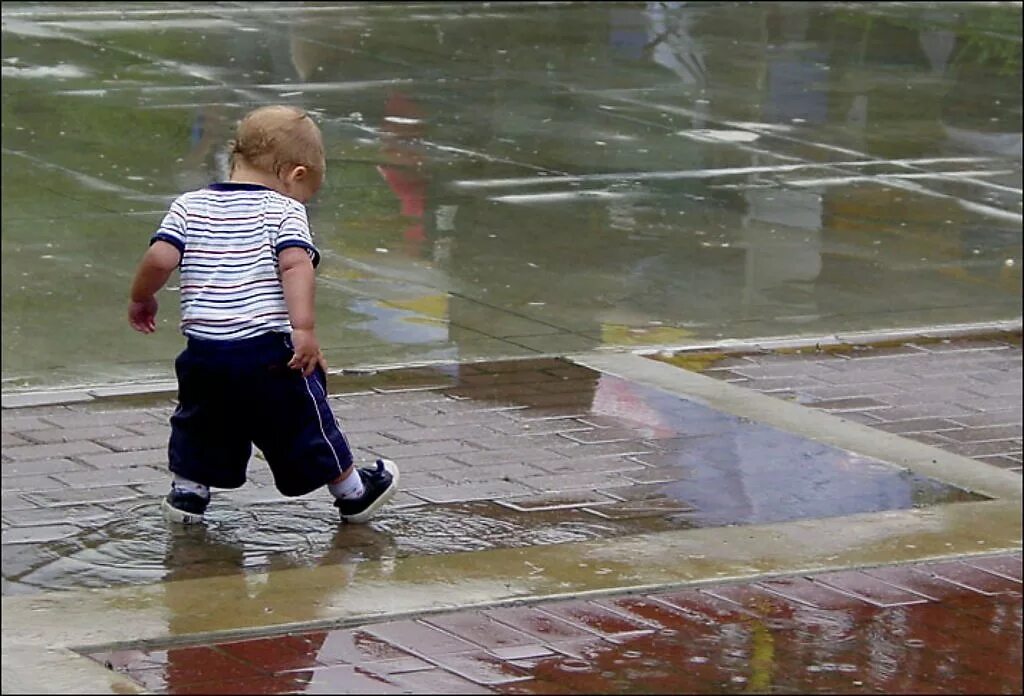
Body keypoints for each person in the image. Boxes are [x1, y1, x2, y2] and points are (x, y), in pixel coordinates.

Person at [127, 104, 399, 525]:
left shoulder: (188, 205)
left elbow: (160, 257)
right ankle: (353, 493)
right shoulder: (284, 211)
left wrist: (141, 297)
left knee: (201, 422)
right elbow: (295, 265)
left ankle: (188, 496)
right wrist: (304, 328)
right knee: (304, 419)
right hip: (268, 350)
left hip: (205, 352)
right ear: (296, 175)